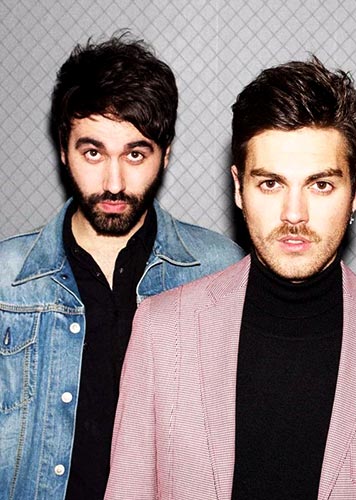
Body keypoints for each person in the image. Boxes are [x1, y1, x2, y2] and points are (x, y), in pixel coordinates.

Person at [104, 57, 356, 500]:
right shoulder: (161, 330)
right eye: (270, 183)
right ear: (238, 188)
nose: (294, 214)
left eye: (320, 185)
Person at [0, 34, 244, 500]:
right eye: (93, 153)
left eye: (135, 154)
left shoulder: (219, 272)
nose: (114, 182)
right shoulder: (6, 280)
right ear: (63, 150)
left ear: (165, 154)